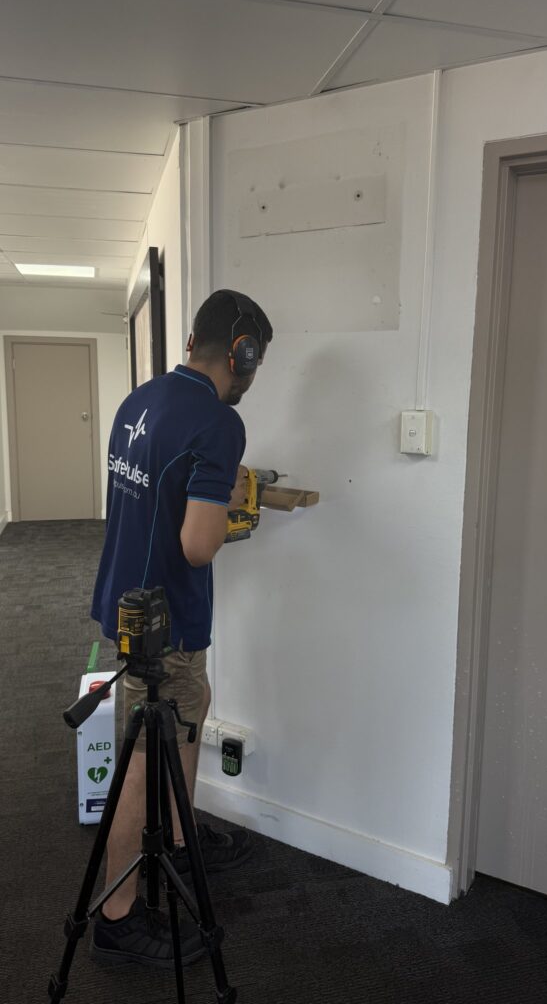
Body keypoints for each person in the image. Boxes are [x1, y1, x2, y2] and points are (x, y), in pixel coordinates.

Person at [89, 288, 273, 968]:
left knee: (184, 722)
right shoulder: (219, 425)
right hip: (168, 618)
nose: (253, 376)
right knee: (149, 752)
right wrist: (229, 511)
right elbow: (198, 545)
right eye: (256, 362)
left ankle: (178, 834)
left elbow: (150, 497)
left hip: (125, 598)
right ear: (240, 353)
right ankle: (117, 915)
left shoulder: (139, 399)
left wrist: (211, 494)